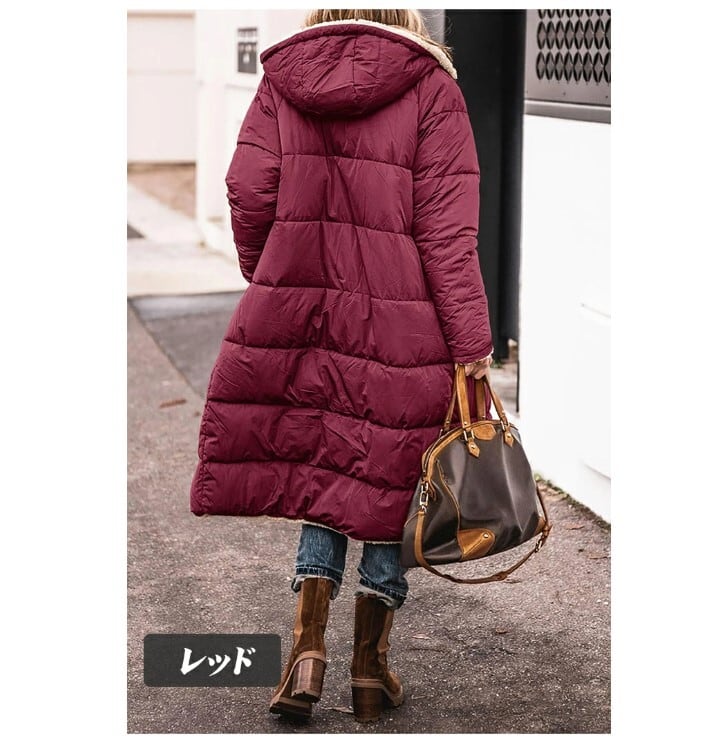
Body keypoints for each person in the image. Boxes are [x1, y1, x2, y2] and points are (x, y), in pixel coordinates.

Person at [189, 8, 494, 723]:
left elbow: (247, 189)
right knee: (388, 474)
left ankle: (306, 653)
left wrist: (273, 273)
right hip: (403, 321)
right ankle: (368, 667)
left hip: (305, 311)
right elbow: (447, 233)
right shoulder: (430, 84)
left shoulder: (283, 78)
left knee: (322, 469)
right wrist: (472, 344)